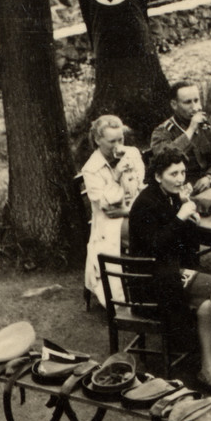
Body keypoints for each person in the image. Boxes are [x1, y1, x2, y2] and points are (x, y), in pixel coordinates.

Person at [127, 143, 211, 398]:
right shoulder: (146, 203)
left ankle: (208, 373)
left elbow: (185, 250)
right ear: (157, 176)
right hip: (149, 280)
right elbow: (156, 247)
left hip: (168, 271)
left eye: (182, 173)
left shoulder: (171, 197)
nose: (180, 179)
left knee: (207, 307)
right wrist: (180, 218)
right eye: (173, 174)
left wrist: (189, 221)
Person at [78, 114, 145, 307]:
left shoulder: (131, 153)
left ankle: (161, 281)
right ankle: (147, 288)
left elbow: (139, 186)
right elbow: (108, 205)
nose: (118, 146)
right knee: (148, 232)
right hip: (109, 222)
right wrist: (116, 175)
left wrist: (130, 210)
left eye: (121, 139)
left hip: (131, 210)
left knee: (161, 225)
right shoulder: (91, 168)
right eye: (111, 141)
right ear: (98, 140)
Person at [149, 80, 211, 193]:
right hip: (180, 191)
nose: (195, 107)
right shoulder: (163, 131)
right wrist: (191, 130)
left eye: (196, 100)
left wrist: (210, 177)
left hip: (209, 186)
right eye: (188, 102)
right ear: (174, 105)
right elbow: (163, 158)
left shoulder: (205, 127)